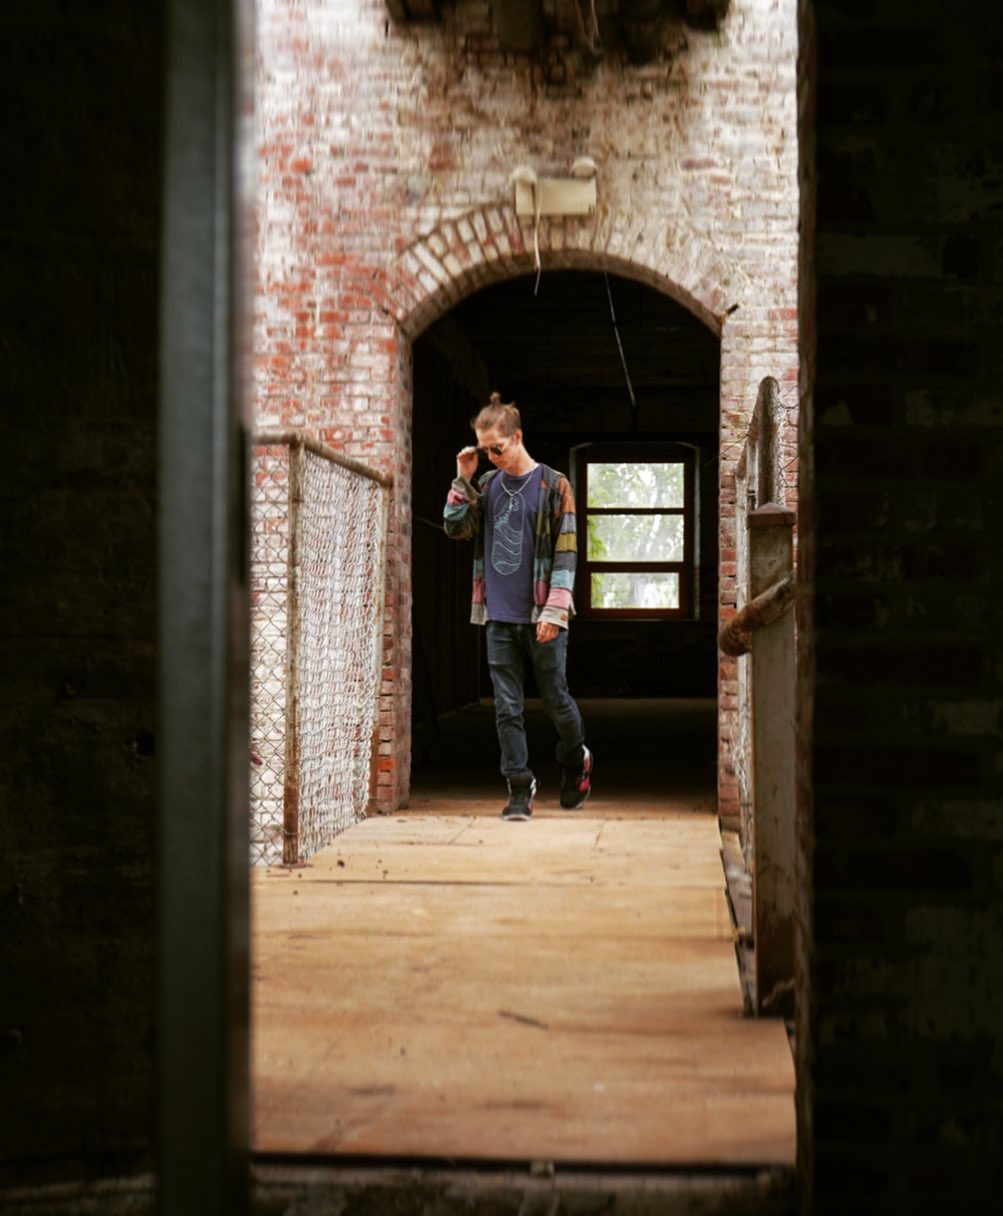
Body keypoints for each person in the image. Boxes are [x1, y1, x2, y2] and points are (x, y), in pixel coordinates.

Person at [443, 392, 593, 821]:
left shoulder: (554, 485)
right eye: (484, 450)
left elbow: (566, 552)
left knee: (556, 699)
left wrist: (555, 611)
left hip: (542, 614)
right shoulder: (487, 485)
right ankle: (519, 787)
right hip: (498, 615)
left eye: (497, 449)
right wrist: (463, 479)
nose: (491, 457)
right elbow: (456, 529)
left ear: (517, 438)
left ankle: (575, 759)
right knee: (506, 708)